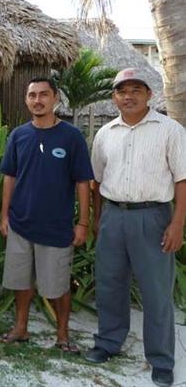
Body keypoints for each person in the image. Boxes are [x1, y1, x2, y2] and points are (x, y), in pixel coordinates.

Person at [85, 68, 186, 387]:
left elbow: (182, 179)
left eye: (135, 90)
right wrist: (99, 220)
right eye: (121, 91)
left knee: (156, 292)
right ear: (114, 97)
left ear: (149, 94)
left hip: (153, 217)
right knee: (110, 285)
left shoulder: (169, 130)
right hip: (113, 216)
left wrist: (177, 224)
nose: (128, 96)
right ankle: (108, 343)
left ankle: (160, 360)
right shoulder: (105, 133)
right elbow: (97, 181)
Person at [0, 77, 93, 353]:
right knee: (20, 281)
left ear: (55, 99)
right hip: (20, 224)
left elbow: (83, 182)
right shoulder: (19, 135)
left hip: (56, 227)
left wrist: (83, 222)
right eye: (32, 95)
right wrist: (5, 216)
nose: (37, 100)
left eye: (43, 95)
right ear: (27, 100)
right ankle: (20, 328)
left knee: (58, 286)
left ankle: (62, 335)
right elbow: (9, 177)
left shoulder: (71, 137)